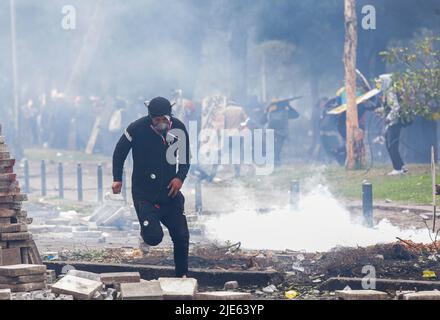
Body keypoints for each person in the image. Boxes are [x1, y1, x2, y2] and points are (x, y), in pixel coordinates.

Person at [112, 96, 191, 277]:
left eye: (165, 119)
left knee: (182, 236)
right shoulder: (136, 128)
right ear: (150, 117)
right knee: (154, 238)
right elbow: (119, 152)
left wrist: (180, 178)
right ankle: (146, 231)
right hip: (144, 194)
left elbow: (185, 158)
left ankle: (182, 276)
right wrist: (117, 178)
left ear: (169, 116)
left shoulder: (178, 128)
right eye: (157, 120)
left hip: (170, 193)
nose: (161, 123)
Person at [375, 74, 409, 175]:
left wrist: (389, 118)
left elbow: (396, 107)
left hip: (394, 123)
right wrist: (380, 111)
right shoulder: (387, 92)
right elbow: (388, 107)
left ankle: (397, 168)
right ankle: (400, 166)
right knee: (390, 144)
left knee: (392, 145)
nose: (379, 85)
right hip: (392, 123)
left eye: (380, 82)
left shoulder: (390, 91)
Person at [261, 98, 300, 166]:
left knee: (272, 150)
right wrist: (288, 106)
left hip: (270, 133)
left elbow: (261, 121)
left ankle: (273, 164)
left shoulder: (269, 111)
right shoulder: (284, 111)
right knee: (277, 150)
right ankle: (276, 164)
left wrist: (266, 111)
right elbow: (296, 115)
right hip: (281, 133)